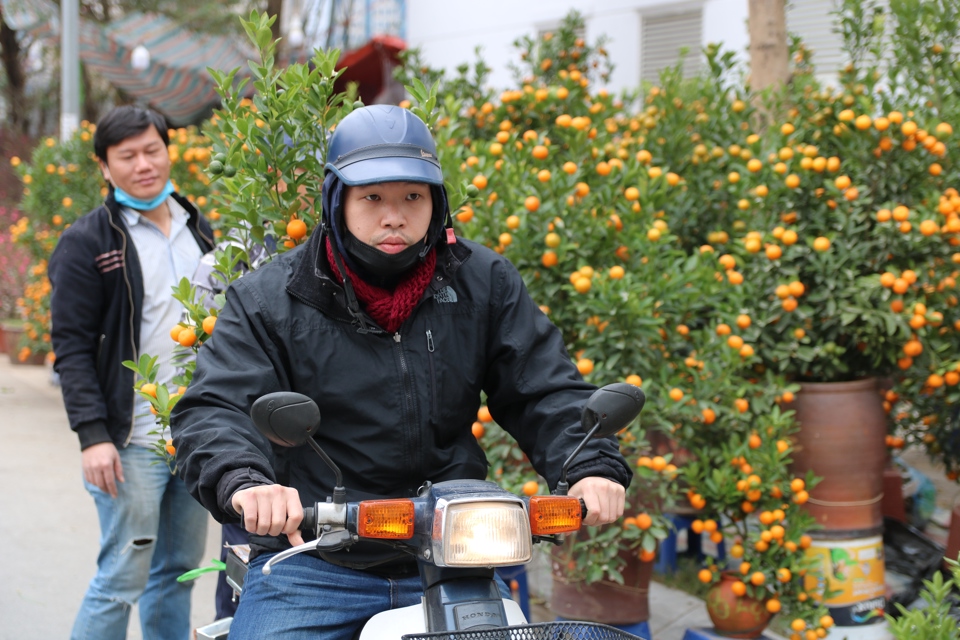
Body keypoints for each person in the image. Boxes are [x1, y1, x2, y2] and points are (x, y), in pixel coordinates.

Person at [170, 104, 633, 639]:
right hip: (317, 560)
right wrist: (247, 481)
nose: (394, 216)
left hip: (452, 558)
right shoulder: (268, 299)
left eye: (412, 197)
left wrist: (591, 465)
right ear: (334, 200)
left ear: (437, 203)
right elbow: (217, 406)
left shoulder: (484, 282)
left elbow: (543, 388)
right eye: (372, 198)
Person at [48, 105, 213, 640]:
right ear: (104, 166)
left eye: (153, 149)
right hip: (130, 440)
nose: (144, 164)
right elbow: (70, 346)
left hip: (192, 436)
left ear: (169, 150)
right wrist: (93, 436)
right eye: (127, 155)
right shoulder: (89, 241)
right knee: (122, 579)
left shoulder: (198, 227)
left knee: (177, 576)